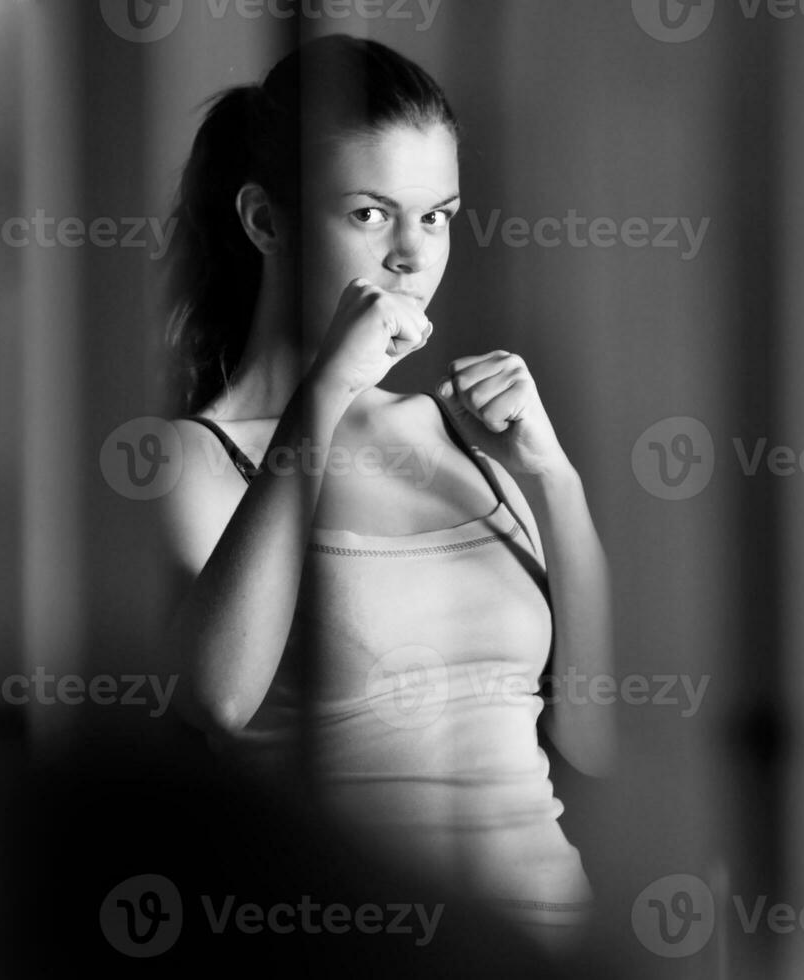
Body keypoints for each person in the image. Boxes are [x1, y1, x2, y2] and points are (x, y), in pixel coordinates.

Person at [155, 33, 615, 959]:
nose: (412, 254)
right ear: (265, 220)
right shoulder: (190, 459)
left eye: (437, 216)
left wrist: (552, 475)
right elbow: (214, 701)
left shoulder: (465, 438)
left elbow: (598, 733)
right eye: (370, 214)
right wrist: (323, 396)